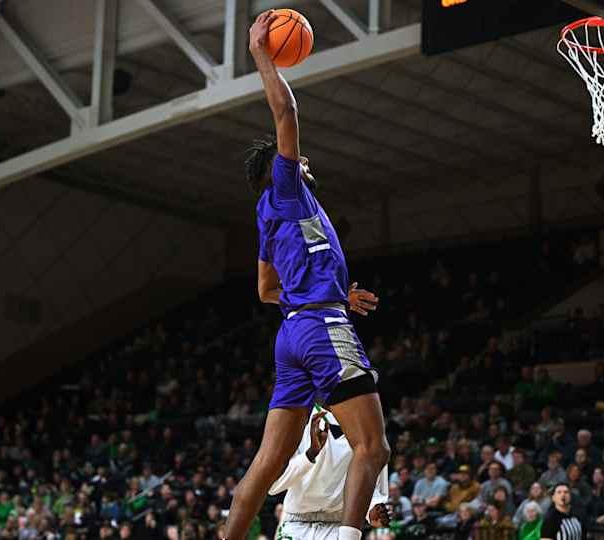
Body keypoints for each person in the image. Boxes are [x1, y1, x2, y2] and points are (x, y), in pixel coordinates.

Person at [225, 11, 390, 540]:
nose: (303, 159)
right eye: (293, 158)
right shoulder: (287, 187)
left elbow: (265, 289)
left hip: (293, 331)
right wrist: (262, 55)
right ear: (279, 166)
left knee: (267, 463)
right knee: (375, 446)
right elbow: (287, 110)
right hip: (319, 327)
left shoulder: (273, 215)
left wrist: (332, 290)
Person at [269, 410, 390, 540]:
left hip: (338, 526)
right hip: (295, 522)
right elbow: (273, 486)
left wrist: (372, 510)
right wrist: (309, 455)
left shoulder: (371, 433)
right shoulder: (300, 421)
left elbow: (372, 491)